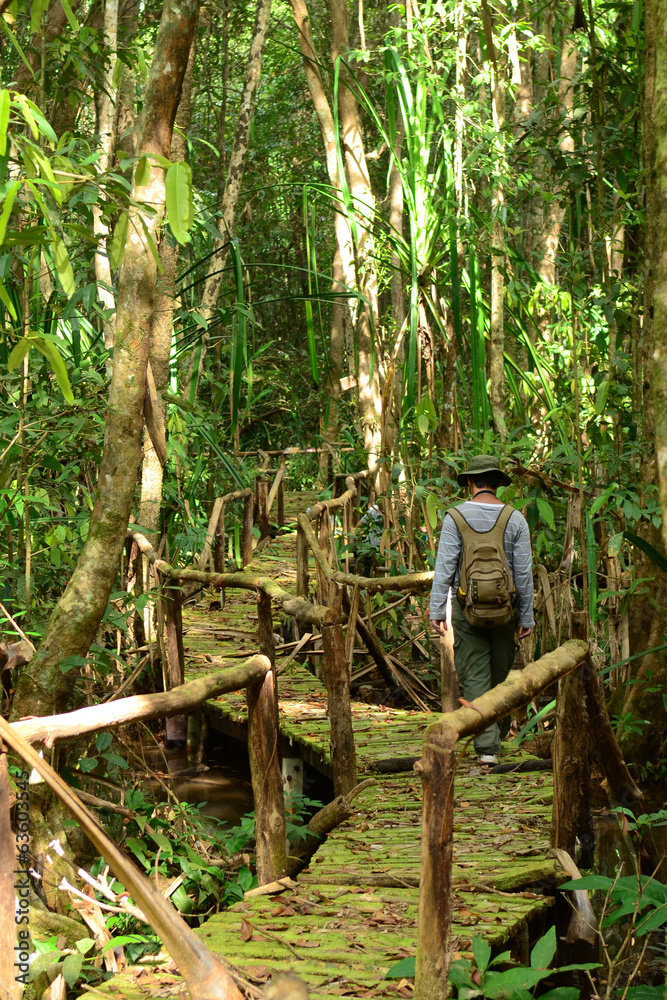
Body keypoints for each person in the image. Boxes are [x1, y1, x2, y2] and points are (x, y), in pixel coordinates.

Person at [430, 455, 534, 765]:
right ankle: (494, 738)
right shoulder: (515, 519)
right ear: (498, 484)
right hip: (506, 610)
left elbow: (445, 567)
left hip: (467, 609)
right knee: (501, 676)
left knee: (475, 675)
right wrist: (526, 615)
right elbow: (523, 572)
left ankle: (487, 748)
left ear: (471, 483)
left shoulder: (455, 517)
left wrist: (437, 609)